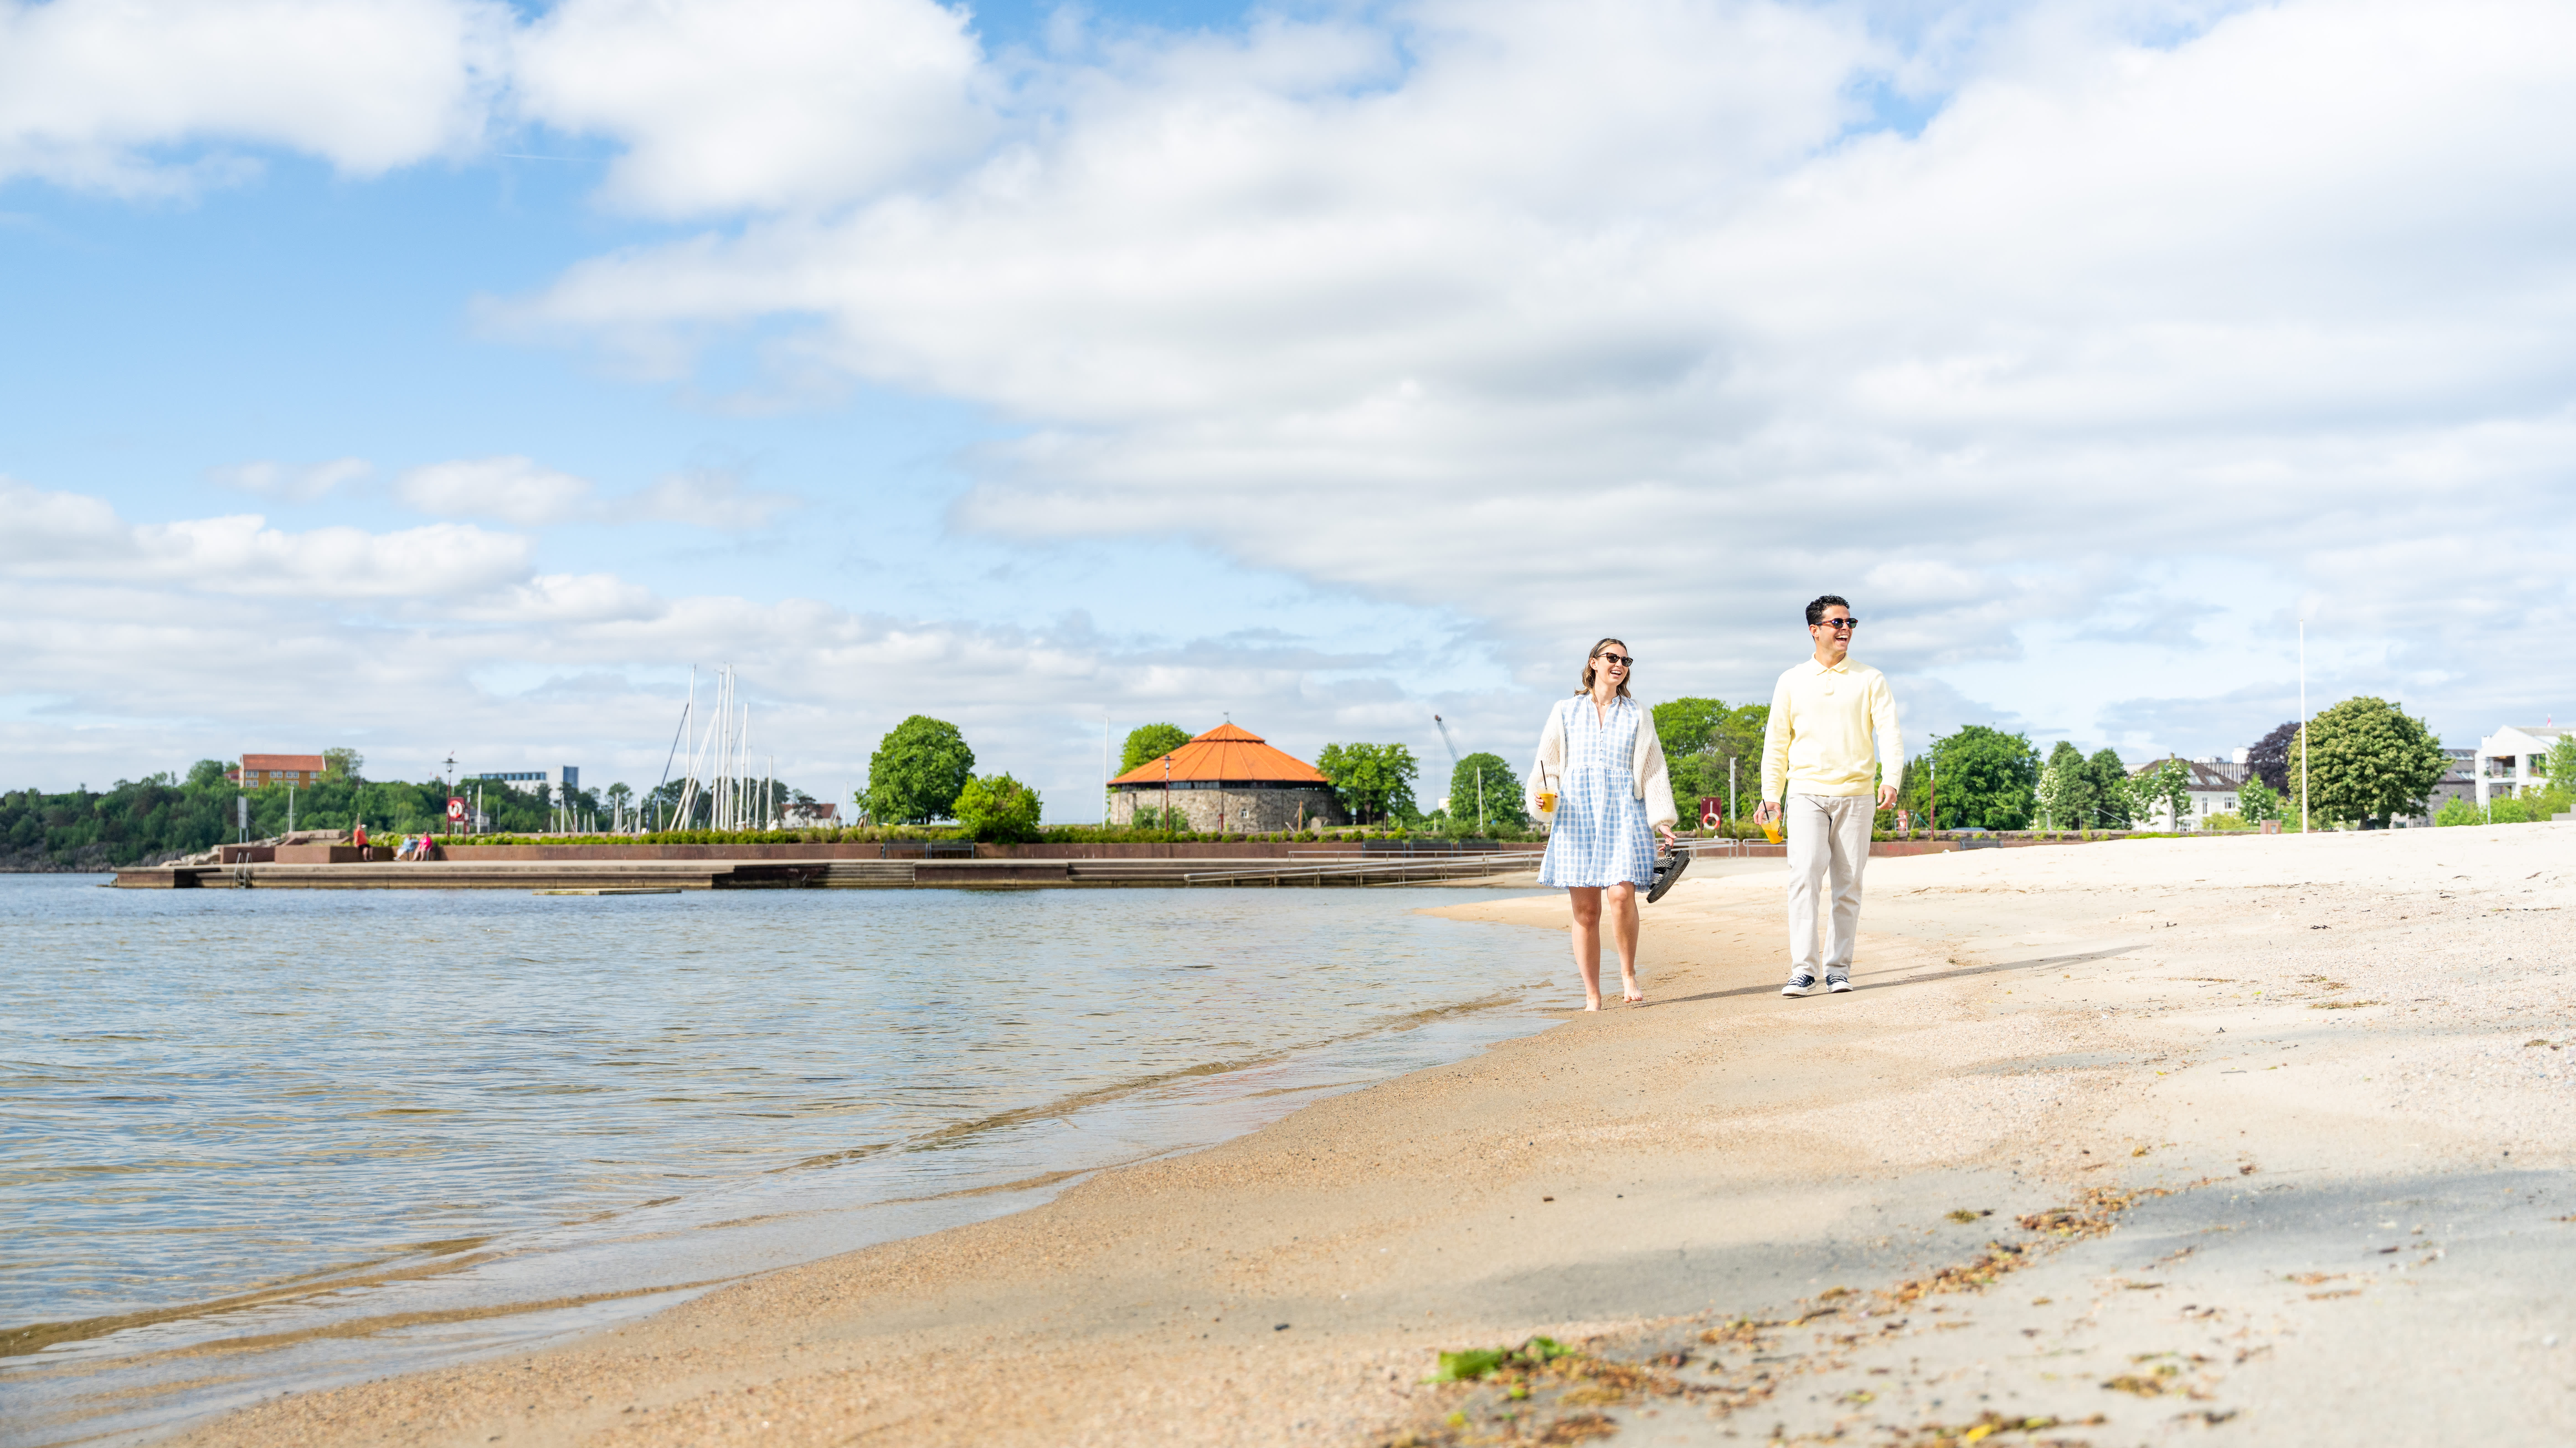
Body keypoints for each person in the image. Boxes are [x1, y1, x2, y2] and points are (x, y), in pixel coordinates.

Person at [1754, 596, 1903, 997]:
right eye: (1836, 622)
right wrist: (1771, 796)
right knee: (1803, 877)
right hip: (1805, 793)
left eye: (1850, 621)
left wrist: (1892, 778)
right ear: (1815, 630)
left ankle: (1838, 970)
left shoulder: (1871, 679)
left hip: (1857, 794)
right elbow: (1776, 743)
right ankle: (1803, 970)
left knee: (1848, 884)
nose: (1845, 629)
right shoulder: (1791, 680)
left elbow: (1889, 732)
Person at [1527, 638, 1679, 1010]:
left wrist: (1662, 819)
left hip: (1624, 810)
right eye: (1613, 658)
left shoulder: (1638, 714)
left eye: (1626, 660)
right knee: (1586, 911)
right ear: (1593, 663)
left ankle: (1628, 975)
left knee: (1622, 896)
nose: (1620, 664)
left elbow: (1653, 768)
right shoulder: (1565, 710)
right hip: (1576, 812)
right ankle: (1592, 994)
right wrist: (1541, 795)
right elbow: (1547, 764)